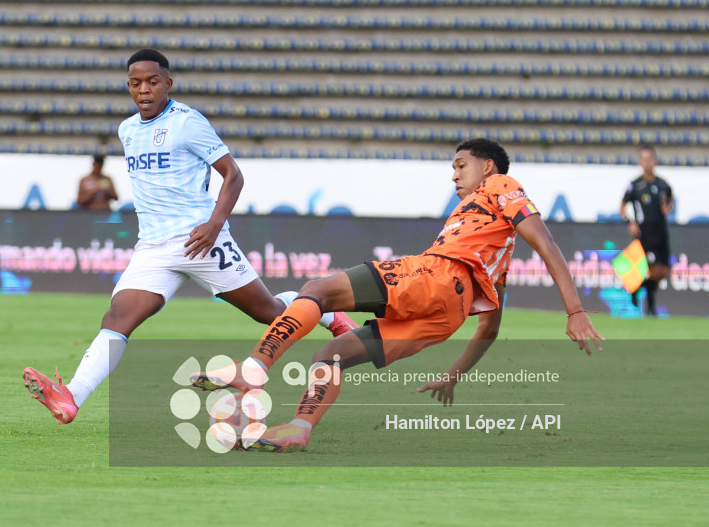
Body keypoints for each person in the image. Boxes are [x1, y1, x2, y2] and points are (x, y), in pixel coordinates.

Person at [193, 138, 605, 452]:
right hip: (446, 318)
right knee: (329, 356)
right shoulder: (497, 249)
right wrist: (453, 375)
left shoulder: (499, 184)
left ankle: (253, 367)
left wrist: (575, 309)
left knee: (317, 290)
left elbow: (547, 241)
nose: (455, 175)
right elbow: (490, 323)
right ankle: (299, 429)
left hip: (436, 276)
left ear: (489, 166)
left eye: (461, 166)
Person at [23, 48, 356, 424]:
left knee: (271, 313)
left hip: (200, 240)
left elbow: (233, 175)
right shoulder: (127, 129)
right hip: (153, 248)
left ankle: (327, 311)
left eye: (152, 82)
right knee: (117, 317)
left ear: (168, 83)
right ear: (128, 87)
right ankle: (71, 398)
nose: (144, 90)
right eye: (136, 84)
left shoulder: (188, 122)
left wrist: (214, 225)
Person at [619, 145, 674, 316]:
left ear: (655, 161)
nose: (647, 163)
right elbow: (622, 207)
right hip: (645, 231)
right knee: (650, 268)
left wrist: (667, 207)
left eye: (650, 159)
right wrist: (630, 222)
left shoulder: (663, 184)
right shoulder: (635, 185)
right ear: (640, 162)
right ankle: (649, 305)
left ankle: (636, 289)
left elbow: (669, 205)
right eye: (644, 159)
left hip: (661, 231)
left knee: (663, 272)